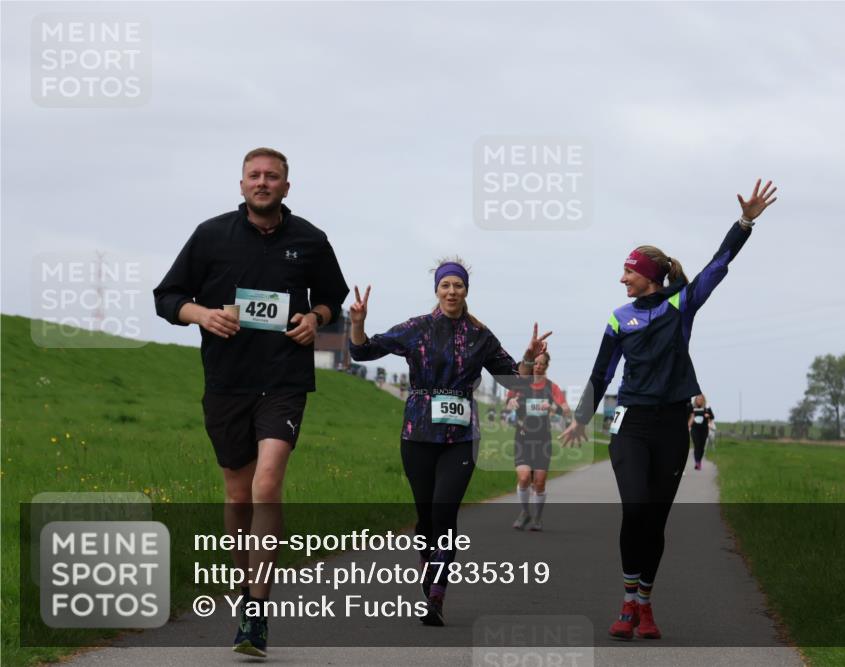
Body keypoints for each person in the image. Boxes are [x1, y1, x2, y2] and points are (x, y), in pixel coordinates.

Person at [153, 148, 349, 658]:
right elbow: (167, 296)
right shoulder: (211, 235)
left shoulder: (310, 239)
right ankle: (245, 595)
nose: (263, 183)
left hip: (284, 380)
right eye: (254, 176)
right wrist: (201, 315)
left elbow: (332, 299)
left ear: (287, 186)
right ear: (241, 185)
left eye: (273, 177)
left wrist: (315, 318)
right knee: (239, 497)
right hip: (226, 382)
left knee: (266, 484)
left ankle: (258, 611)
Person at [561, 179, 777, 641]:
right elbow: (601, 374)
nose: (622, 279)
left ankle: (644, 603)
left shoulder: (681, 306)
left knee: (655, 519)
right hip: (632, 424)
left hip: (671, 428)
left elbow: (718, 264)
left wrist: (744, 223)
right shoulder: (619, 318)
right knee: (635, 508)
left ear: (650, 275)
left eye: (629, 272)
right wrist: (581, 419)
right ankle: (625, 601)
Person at [348, 258, 549, 626]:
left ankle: (436, 596)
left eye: (458, 285)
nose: (452, 291)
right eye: (446, 285)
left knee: (445, 511)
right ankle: (430, 568)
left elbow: (513, 380)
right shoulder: (418, 328)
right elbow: (363, 351)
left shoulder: (480, 336)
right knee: (426, 518)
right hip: (418, 434)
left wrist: (527, 358)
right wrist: (357, 324)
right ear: (437, 291)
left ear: (466, 291)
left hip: (461, 437)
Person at [506, 351, 571, 531]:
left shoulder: (552, 387)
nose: (538, 366)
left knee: (540, 482)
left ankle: (537, 517)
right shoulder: (520, 385)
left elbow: (566, 411)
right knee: (525, 476)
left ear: (546, 366)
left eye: (542, 363)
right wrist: (511, 403)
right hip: (523, 437)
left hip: (543, 439)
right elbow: (508, 401)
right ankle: (525, 512)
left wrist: (553, 407)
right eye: (535, 363)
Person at [688, 394, 715, 470]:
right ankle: (697, 462)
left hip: (704, 430)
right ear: (695, 400)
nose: (699, 400)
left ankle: (699, 460)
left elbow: (712, 417)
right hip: (695, 430)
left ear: (703, 400)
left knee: (702, 447)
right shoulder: (692, 408)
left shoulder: (707, 409)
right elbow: (689, 417)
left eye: (701, 399)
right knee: (697, 445)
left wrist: (708, 416)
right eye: (698, 399)